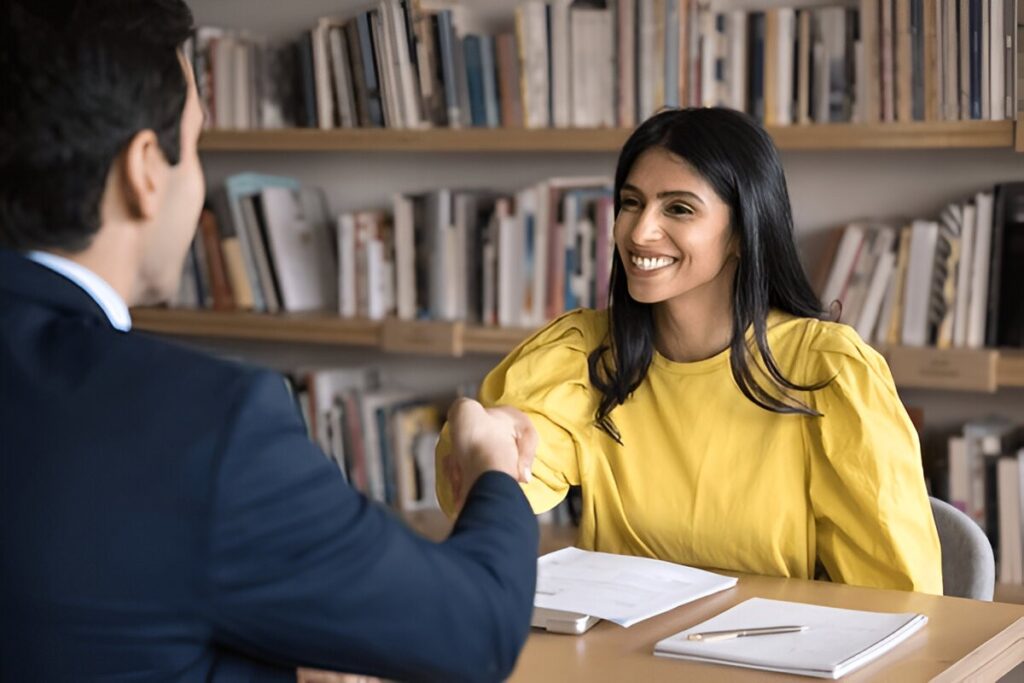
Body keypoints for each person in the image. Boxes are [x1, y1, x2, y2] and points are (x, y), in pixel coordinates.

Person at [0, 1, 539, 681]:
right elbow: (475, 630)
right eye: (195, 146)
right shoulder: (200, 423)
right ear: (144, 169)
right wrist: (492, 465)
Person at [437, 107, 943, 595]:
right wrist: (480, 432)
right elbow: (495, 496)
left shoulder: (828, 372)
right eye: (631, 203)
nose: (639, 232)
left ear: (744, 232)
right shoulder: (583, 355)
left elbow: (899, 595)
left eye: (678, 208)